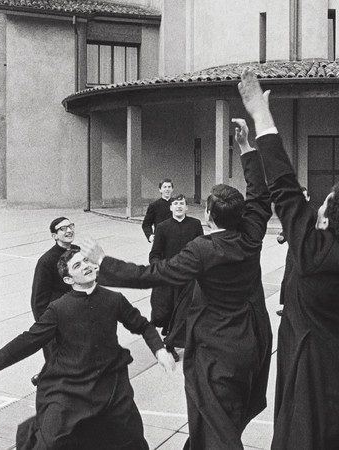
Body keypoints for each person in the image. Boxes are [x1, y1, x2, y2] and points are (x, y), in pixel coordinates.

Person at [81, 118, 273, 450]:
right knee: (221, 419)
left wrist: (104, 262)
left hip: (216, 351)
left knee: (218, 428)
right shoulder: (252, 235)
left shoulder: (203, 250)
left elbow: (150, 276)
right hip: (251, 343)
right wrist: (246, 148)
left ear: (209, 217)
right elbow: (260, 197)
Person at [237, 67, 339, 449]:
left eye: (321, 204)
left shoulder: (311, 254)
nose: (315, 206)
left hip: (314, 369)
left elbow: (285, 188)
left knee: (305, 434)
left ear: (324, 221)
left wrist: (261, 115)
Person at [0, 249, 176, 450]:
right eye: (78, 266)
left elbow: (143, 325)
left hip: (110, 383)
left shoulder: (114, 299)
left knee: (132, 439)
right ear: (69, 279)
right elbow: (28, 341)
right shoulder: (58, 309)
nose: (86, 266)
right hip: (71, 384)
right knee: (52, 441)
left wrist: (159, 350)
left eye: (86, 261)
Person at [149, 193, 204, 361]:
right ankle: (169, 343)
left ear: (186, 207)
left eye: (182, 203)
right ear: (171, 207)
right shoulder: (163, 227)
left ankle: (174, 343)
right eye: (176, 204)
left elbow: (201, 248)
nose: (179, 206)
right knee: (169, 311)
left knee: (185, 312)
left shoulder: (195, 225)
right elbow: (155, 254)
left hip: (189, 276)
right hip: (170, 276)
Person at [29, 217, 79, 384]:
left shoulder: (79, 252)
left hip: (79, 313)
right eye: (62, 228)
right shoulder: (46, 261)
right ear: (54, 236)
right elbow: (38, 299)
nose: (68, 230)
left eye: (70, 226)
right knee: (58, 360)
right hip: (58, 318)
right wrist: (45, 325)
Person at [275, 186, 309, 316]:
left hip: (307, 254)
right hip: (292, 254)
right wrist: (281, 237)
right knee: (288, 279)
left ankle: (303, 309)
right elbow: (284, 234)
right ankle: (287, 307)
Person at [142, 178, 174, 242]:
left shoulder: (177, 204)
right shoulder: (154, 205)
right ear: (160, 190)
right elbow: (146, 224)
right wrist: (150, 235)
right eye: (164, 187)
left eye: (169, 187)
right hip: (160, 238)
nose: (167, 189)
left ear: (172, 189)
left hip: (175, 238)